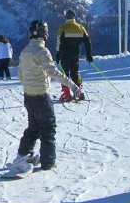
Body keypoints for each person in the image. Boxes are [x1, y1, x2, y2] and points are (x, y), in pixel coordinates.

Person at [7, 21, 78, 176]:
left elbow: (20, 74)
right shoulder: (42, 51)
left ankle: (23, 155)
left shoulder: (25, 51)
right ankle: (48, 161)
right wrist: (72, 85)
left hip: (29, 96)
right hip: (41, 96)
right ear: (43, 33)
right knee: (48, 128)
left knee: (33, 127)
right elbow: (54, 72)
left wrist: (28, 86)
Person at [55, 10, 93, 101]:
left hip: (65, 54)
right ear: (74, 17)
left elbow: (59, 42)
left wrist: (57, 54)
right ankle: (80, 92)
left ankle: (66, 94)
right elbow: (88, 42)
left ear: (66, 17)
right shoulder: (80, 27)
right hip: (76, 53)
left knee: (64, 74)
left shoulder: (63, 28)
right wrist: (89, 54)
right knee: (75, 73)